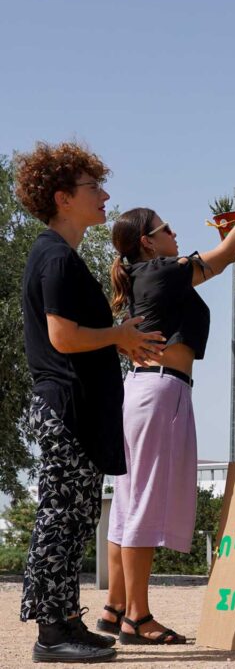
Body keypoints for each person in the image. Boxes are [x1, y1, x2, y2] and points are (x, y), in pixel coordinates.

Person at [16, 141, 164, 663]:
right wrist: (119, 334)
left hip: (75, 409)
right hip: (66, 408)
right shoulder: (55, 258)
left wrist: (117, 336)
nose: (104, 196)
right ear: (63, 198)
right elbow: (63, 337)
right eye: (93, 189)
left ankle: (66, 621)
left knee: (74, 517)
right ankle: (52, 634)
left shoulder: (61, 256)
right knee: (62, 516)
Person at [97, 190, 235, 644]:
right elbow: (226, 255)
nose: (175, 232)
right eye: (165, 229)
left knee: (129, 503)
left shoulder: (141, 273)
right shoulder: (163, 271)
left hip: (141, 391)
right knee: (142, 505)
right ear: (148, 243)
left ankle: (115, 608)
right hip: (160, 390)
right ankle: (137, 616)